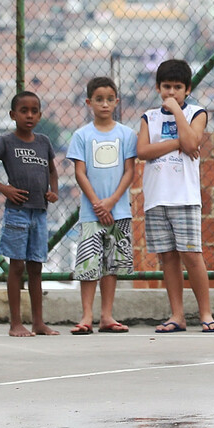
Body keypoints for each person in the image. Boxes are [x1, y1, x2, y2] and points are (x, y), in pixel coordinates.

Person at [137, 59, 214, 334]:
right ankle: (177, 315)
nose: (171, 93)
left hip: (183, 196)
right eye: (166, 87)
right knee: (167, 258)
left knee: (192, 255)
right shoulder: (149, 117)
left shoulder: (197, 113)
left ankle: (205, 313)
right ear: (158, 87)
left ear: (188, 89)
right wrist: (176, 144)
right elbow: (143, 151)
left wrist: (176, 112)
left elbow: (192, 142)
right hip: (156, 197)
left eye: (177, 87)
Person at [0, 91, 60, 337]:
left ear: (40, 115)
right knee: (17, 266)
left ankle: (39, 323)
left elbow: (53, 171)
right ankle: (15, 323)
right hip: (17, 213)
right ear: (13, 115)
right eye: (24, 111)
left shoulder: (44, 142)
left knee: (36, 267)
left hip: (40, 213)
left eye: (34, 111)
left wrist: (53, 191)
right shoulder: (6, 142)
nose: (30, 115)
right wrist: (5, 189)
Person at [66, 77, 137, 334]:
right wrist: (97, 204)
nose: (104, 104)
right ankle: (86, 316)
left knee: (111, 266)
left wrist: (111, 201)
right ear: (89, 103)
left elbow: (129, 172)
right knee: (88, 265)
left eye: (109, 99)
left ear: (116, 102)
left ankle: (107, 316)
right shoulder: (81, 135)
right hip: (91, 214)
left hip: (118, 211)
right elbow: (80, 173)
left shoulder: (127, 135)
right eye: (99, 99)